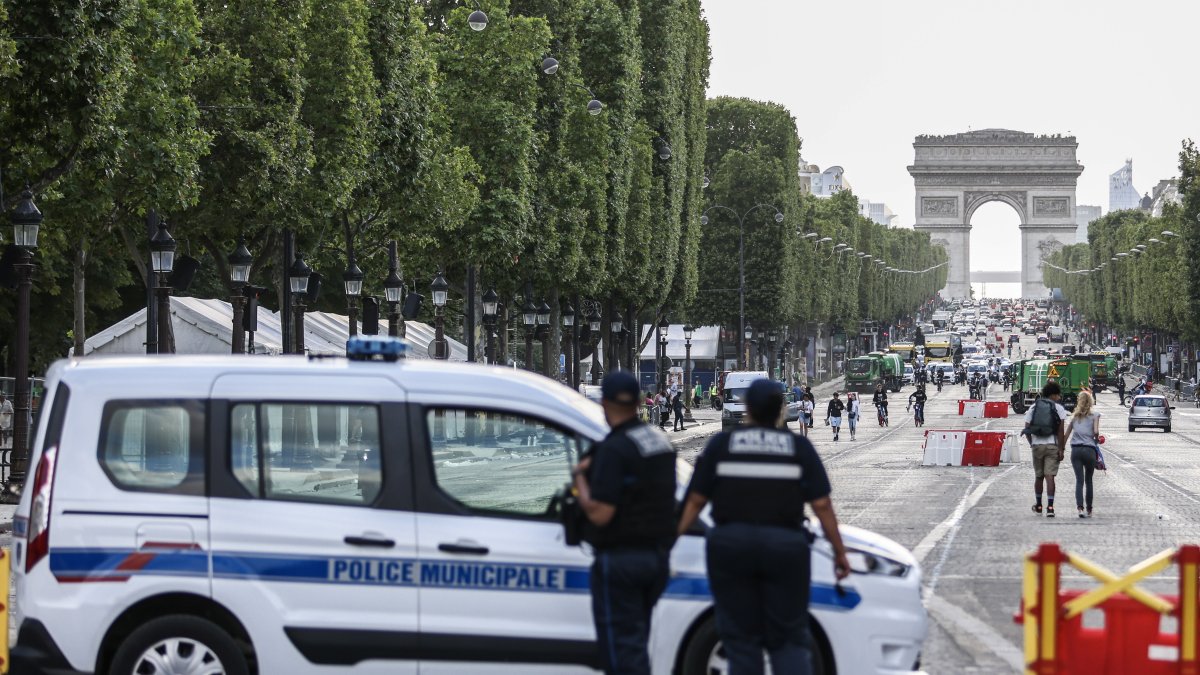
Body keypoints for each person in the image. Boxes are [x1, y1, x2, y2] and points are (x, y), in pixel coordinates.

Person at [677, 379, 850, 675]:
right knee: (789, 639)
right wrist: (839, 552)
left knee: (739, 638)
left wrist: (671, 540)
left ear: (748, 409)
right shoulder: (797, 447)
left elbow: (694, 502)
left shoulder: (723, 445)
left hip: (731, 549)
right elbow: (821, 506)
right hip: (785, 549)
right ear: (780, 409)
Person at [573, 371, 677, 675]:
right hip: (655, 558)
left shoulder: (614, 449)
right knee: (636, 642)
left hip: (620, 561)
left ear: (604, 403)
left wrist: (579, 481)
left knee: (621, 653)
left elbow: (600, 513)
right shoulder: (659, 441)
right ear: (638, 402)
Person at [1023, 381, 1069, 518]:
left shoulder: (1033, 407)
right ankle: (1050, 507)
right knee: (1050, 477)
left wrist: (1032, 443)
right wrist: (1061, 449)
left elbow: (1026, 428)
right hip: (1052, 445)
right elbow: (1061, 431)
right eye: (1058, 395)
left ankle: (1038, 505)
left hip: (1037, 446)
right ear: (1053, 395)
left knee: (1039, 476)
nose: (1059, 397)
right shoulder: (1059, 409)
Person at [1065, 390, 1102, 518]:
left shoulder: (1074, 417)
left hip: (1076, 450)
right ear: (1091, 401)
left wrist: (1061, 450)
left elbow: (1066, 435)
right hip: (1089, 450)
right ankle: (1089, 509)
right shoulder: (1095, 415)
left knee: (1079, 481)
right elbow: (1096, 432)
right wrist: (1096, 439)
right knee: (1089, 480)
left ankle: (1080, 508)